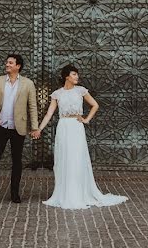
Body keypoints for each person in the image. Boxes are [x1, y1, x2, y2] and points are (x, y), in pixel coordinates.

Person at [35, 64, 128, 209]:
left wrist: (87, 119)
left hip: (76, 127)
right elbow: (49, 114)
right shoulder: (57, 94)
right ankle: (64, 194)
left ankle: (79, 193)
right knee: (64, 158)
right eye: (74, 74)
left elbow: (95, 105)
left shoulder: (81, 91)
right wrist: (39, 128)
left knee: (77, 159)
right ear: (66, 76)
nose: (77, 77)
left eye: (77, 74)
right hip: (63, 127)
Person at [0, 54, 39, 204]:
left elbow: (32, 107)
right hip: (0, 126)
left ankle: (15, 194)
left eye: (10, 63)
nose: (7, 64)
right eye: (7, 62)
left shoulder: (28, 84)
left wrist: (35, 127)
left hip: (19, 127)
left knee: (17, 161)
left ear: (18, 66)